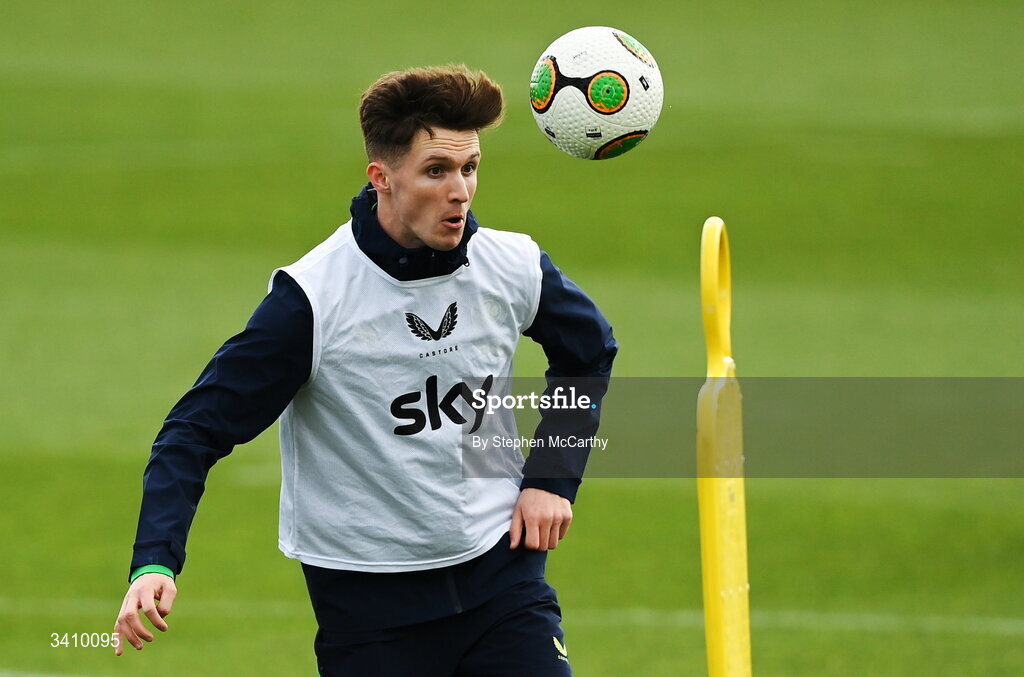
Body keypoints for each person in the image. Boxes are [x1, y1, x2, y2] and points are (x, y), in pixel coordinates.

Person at [114, 65, 617, 676]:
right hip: (370, 613)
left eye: (470, 167)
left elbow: (589, 351)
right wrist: (155, 561)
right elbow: (193, 431)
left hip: (503, 583)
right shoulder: (313, 301)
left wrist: (551, 479)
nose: (460, 191)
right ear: (381, 178)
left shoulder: (511, 264)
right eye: (436, 170)